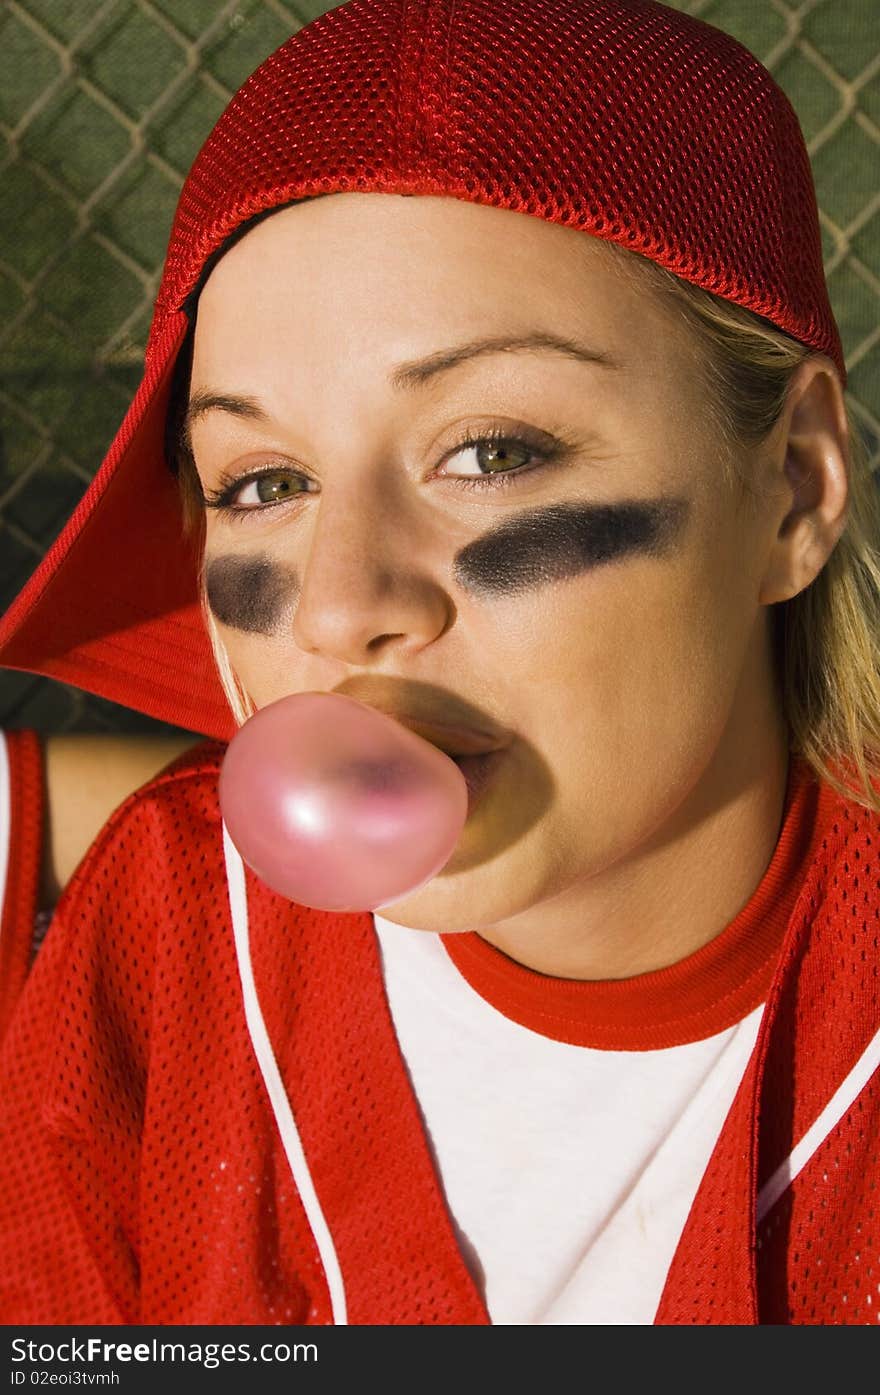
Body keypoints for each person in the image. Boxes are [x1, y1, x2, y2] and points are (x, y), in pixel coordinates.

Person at [0, 0, 878, 1327]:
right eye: (266, 480)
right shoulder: (175, 924)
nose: (342, 606)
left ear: (797, 491)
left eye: (492, 452)